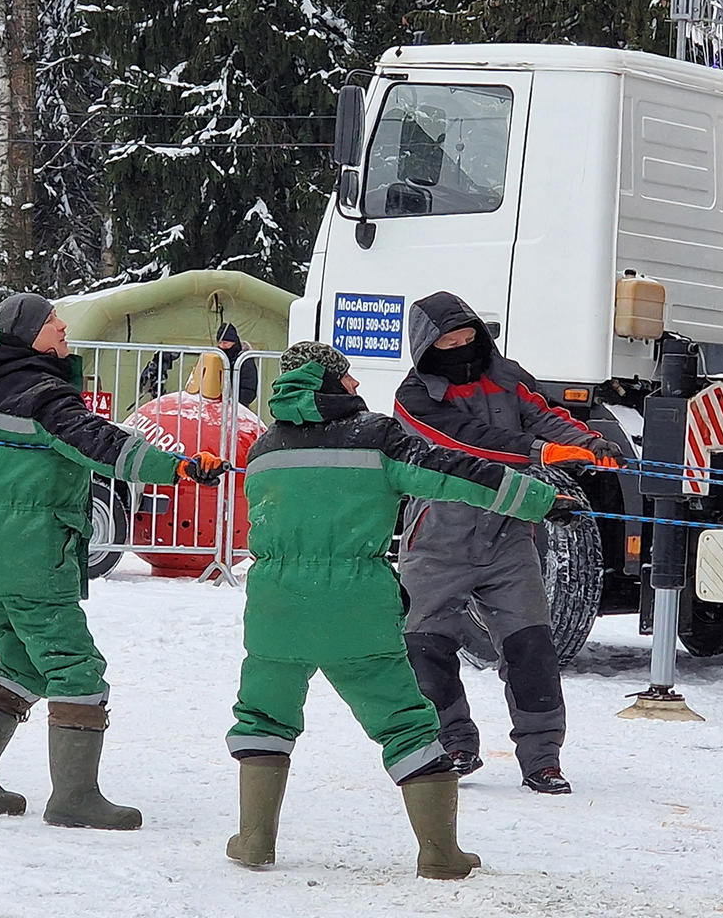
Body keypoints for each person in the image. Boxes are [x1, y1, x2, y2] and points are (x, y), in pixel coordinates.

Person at [225, 341, 580, 879]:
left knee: (263, 717)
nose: (357, 387)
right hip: (354, 605)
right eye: (348, 379)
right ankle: (440, 852)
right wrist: (541, 500)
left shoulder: (265, 447)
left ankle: (253, 841)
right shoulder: (376, 436)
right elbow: (457, 473)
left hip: (276, 608)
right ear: (332, 382)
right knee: (406, 726)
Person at [0, 293, 227, 830]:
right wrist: (181, 467)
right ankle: (75, 797)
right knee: (76, 669)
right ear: (29, 336)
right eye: (52, 320)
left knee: (23, 664)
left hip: (1, 550)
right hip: (35, 551)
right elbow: (100, 443)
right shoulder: (42, 393)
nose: (63, 325)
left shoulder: (1, 387)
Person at [394, 291, 623, 796]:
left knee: (531, 647)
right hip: (437, 539)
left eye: (466, 336)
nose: (459, 347)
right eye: (447, 340)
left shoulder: (506, 375)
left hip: (510, 536)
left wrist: (586, 443)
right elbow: (468, 442)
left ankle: (542, 759)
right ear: (426, 346)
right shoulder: (414, 399)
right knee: (426, 647)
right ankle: (452, 741)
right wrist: (541, 452)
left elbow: (543, 415)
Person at [216, 321, 258, 407]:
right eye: (220, 343)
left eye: (225, 343)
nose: (222, 346)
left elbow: (249, 391)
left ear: (234, 342)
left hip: (237, 408)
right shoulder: (217, 357)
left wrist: (231, 401)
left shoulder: (245, 360)